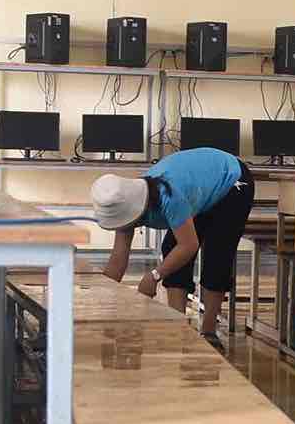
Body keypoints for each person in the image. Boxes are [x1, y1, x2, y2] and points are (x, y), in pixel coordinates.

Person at [91, 147, 254, 343]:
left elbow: (189, 246)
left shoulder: (167, 196)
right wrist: (99, 303)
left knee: (216, 255)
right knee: (171, 248)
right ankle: (178, 325)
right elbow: (117, 261)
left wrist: (154, 276)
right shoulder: (123, 204)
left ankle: (209, 331)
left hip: (231, 182)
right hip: (199, 187)